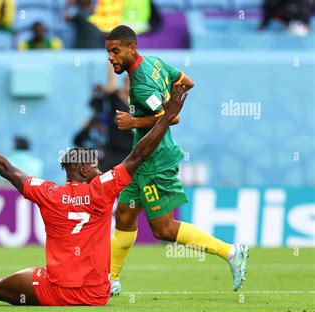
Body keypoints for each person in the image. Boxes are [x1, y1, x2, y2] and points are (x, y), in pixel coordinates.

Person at [0, 84, 188, 307]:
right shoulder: (104, 189)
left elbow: (6, 169)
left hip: (56, 292)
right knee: (13, 281)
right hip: (96, 295)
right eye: (93, 163)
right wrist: (166, 117)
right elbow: (140, 153)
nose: (98, 166)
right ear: (81, 169)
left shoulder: (48, 193)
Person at [105, 25, 249, 296]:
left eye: (115, 51)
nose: (111, 57)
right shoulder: (154, 62)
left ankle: (231, 252)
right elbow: (187, 83)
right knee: (124, 215)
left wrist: (133, 121)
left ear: (131, 48)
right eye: (108, 52)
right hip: (141, 156)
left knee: (163, 229)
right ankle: (109, 278)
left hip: (154, 160)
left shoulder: (141, 81)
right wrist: (167, 101)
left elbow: (173, 117)